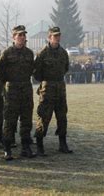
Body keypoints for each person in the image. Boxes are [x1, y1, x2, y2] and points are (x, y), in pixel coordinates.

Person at [0, 25, 36, 160]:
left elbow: (32, 70)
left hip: (26, 88)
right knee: (10, 120)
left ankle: (26, 147)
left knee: (26, 120)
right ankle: (7, 149)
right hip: (11, 89)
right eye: (19, 35)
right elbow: (0, 73)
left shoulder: (29, 53)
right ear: (13, 37)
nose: (22, 37)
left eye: (23, 35)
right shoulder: (6, 53)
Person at [33, 26, 73, 156]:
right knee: (44, 117)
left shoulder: (63, 53)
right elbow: (37, 73)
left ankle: (63, 144)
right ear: (49, 37)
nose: (57, 38)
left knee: (62, 117)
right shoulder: (42, 53)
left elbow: (66, 68)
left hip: (60, 88)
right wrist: (47, 81)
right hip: (47, 88)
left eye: (58, 35)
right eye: (54, 36)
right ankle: (39, 146)